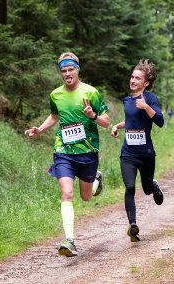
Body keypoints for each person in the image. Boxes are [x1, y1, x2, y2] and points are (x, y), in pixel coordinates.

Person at [25, 52, 109, 257]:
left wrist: (93, 115)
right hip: (63, 151)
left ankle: (95, 179)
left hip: (87, 151)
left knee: (86, 197)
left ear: (77, 70)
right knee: (67, 194)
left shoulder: (91, 92)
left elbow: (106, 122)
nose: (67, 74)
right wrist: (39, 130)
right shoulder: (56, 95)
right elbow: (55, 116)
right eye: (64, 71)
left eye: (71, 69)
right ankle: (69, 240)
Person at [110, 59, 164, 242]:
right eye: (132, 77)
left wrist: (146, 107)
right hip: (128, 154)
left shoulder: (150, 98)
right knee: (130, 187)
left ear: (145, 82)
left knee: (147, 189)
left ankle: (154, 187)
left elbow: (160, 121)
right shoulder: (127, 100)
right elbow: (133, 122)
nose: (132, 80)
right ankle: (133, 226)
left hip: (146, 154)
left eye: (137, 78)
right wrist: (118, 126)